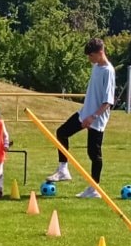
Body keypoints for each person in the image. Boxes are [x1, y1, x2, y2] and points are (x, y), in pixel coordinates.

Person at [46, 39, 115, 197]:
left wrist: (93, 117)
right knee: (62, 133)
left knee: (94, 154)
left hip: (97, 119)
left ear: (100, 53)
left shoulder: (108, 71)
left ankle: (95, 189)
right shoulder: (96, 66)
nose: (89, 59)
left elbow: (108, 102)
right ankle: (63, 170)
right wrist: (87, 115)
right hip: (84, 113)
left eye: (91, 55)